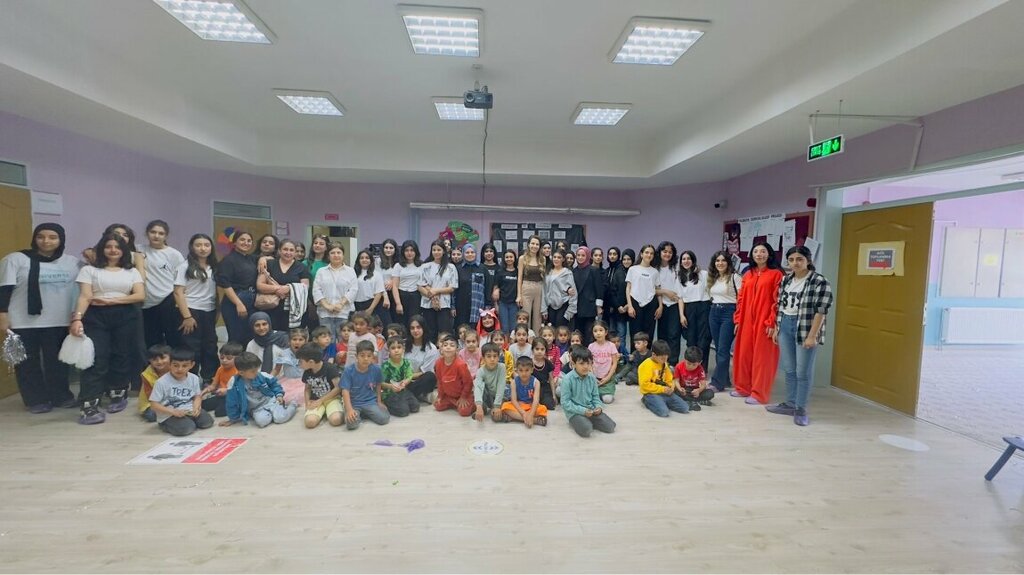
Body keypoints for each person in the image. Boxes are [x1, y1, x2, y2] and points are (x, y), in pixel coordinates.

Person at [0, 223, 79, 413]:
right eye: (41, 237)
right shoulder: (16, 259)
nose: (46, 241)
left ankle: (61, 396)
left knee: (58, 362)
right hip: (23, 321)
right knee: (27, 363)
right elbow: (4, 290)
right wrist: (3, 315)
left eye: (53, 237)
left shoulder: (73, 262)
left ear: (61, 240)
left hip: (59, 320)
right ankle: (35, 400)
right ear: (34, 238)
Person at [71, 232, 145, 424]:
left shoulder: (132, 271)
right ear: (102, 249)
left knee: (122, 354)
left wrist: (114, 300)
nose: (113, 250)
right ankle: (89, 404)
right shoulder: (89, 270)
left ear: (124, 251)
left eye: (118, 247)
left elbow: (139, 296)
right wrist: (77, 319)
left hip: (125, 315)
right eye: (109, 247)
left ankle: (118, 393)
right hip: (95, 316)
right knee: (96, 358)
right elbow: (85, 296)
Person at [766, 245, 834, 426]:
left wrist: (812, 335)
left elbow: (821, 311)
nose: (795, 263)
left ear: (808, 261)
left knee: (802, 371)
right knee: (789, 369)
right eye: (791, 260)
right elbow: (780, 305)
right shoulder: (786, 280)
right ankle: (789, 403)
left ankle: (801, 408)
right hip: (785, 325)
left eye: (799, 259)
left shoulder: (819, 281)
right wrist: (777, 328)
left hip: (805, 327)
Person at [731, 241, 784, 405]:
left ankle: (759, 393)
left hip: (764, 320)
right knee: (743, 354)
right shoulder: (747, 274)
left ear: (769, 254)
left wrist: (771, 322)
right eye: (756, 252)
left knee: (763, 358)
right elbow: (740, 300)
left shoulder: (776, 274)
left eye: (763, 251)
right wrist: (738, 319)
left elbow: (778, 300)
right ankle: (743, 387)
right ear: (752, 255)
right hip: (746, 319)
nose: (759, 254)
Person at [172, 233, 219, 381]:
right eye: (198, 245)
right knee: (192, 348)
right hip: (191, 311)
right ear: (192, 247)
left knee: (210, 347)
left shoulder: (215, 267)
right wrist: (187, 317)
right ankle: (189, 380)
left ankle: (209, 378)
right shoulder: (185, 266)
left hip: (209, 311)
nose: (203, 248)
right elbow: (178, 292)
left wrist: (217, 313)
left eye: (206, 245)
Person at [220, 351, 297, 427]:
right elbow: (231, 402)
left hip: (271, 402)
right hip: (256, 409)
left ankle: (292, 405)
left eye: (257, 369)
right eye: (253, 371)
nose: (256, 372)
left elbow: (275, 385)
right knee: (262, 422)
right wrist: (233, 418)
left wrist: (279, 395)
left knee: (280, 418)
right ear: (241, 373)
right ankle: (273, 413)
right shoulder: (234, 382)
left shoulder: (262, 375)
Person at [140, 220, 186, 349]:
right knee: (151, 341)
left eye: (161, 233)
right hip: (146, 304)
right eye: (153, 232)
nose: (156, 236)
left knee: (174, 338)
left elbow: (182, 280)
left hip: (168, 300)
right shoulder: (139, 250)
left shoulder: (174, 254)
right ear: (147, 233)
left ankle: (175, 368)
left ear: (166, 236)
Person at [148, 348, 213, 436]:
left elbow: (197, 396)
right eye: (175, 365)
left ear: (192, 365)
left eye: (184, 366)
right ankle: (165, 425)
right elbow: (154, 405)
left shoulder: (194, 378)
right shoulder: (161, 382)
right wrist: (172, 412)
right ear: (169, 364)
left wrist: (196, 407)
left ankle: (188, 421)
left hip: (188, 409)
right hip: (169, 414)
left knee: (207, 422)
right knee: (187, 429)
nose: (179, 369)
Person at [560, 346, 616, 438]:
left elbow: (595, 397)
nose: (586, 366)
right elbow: (565, 403)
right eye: (581, 363)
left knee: (611, 427)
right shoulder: (567, 379)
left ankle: (588, 420)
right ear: (573, 364)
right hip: (574, 412)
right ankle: (581, 421)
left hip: (591, 410)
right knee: (587, 430)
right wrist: (583, 411)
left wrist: (598, 407)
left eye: (588, 363)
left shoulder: (592, 377)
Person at [706, 251, 742, 392]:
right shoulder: (714, 278)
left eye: (723, 261)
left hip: (729, 313)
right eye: (717, 261)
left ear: (728, 263)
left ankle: (717, 383)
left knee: (723, 349)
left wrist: (738, 320)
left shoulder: (735, 277)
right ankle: (725, 379)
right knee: (718, 347)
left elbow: (742, 300)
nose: (720, 263)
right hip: (714, 311)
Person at [257, 239, 310, 331]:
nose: (288, 252)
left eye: (291, 250)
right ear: (279, 251)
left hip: (293, 311)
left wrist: (289, 288)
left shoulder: (302, 267)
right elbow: (260, 285)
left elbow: (305, 287)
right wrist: (279, 289)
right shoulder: (269, 264)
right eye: (285, 249)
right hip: (271, 308)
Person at [216, 230, 258, 345]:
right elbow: (225, 284)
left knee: (249, 337)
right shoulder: (228, 260)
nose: (246, 243)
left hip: (250, 301)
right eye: (242, 240)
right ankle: (232, 363)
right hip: (234, 303)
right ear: (234, 243)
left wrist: (264, 259)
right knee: (236, 338)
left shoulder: (251, 259)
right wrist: (238, 304)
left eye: (249, 241)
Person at [340, 340, 389, 430]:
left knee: (384, 418)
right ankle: (358, 414)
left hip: (370, 402)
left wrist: (379, 401)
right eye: (362, 356)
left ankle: (365, 413)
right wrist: (349, 409)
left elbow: (378, 385)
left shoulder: (376, 369)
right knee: (351, 425)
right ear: (356, 356)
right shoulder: (348, 370)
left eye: (369, 356)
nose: (366, 359)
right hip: (354, 403)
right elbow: (345, 391)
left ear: (373, 357)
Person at [312, 243, 357, 342]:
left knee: (344, 341)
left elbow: (353, 290)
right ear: (328, 255)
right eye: (332, 253)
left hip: (344, 312)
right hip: (325, 313)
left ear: (343, 255)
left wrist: (341, 304)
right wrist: (327, 306)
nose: (336, 255)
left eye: (338, 252)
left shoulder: (350, 271)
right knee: (326, 341)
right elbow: (316, 290)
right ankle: (328, 358)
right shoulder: (321, 271)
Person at [678, 250, 712, 372]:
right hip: (688, 309)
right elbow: (680, 298)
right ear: (681, 262)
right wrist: (681, 315)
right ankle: (690, 369)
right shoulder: (680, 277)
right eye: (683, 259)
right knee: (690, 340)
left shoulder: (703, 274)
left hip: (704, 307)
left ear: (693, 260)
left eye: (688, 258)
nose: (686, 261)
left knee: (703, 340)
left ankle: (702, 370)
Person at [638, 340, 690, 417]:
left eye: (666, 358)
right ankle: (647, 401)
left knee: (685, 408)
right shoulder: (645, 365)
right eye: (662, 358)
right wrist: (662, 389)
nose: (665, 360)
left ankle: (661, 402)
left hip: (665, 392)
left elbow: (670, 378)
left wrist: (671, 387)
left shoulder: (664, 363)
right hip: (651, 393)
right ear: (654, 355)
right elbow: (644, 385)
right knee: (664, 412)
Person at [418, 240, 458, 339]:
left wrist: (436, 291)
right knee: (430, 332)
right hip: (427, 304)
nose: (436, 252)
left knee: (445, 332)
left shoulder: (450, 267)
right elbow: (420, 285)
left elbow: (452, 287)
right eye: (434, 250)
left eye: (439, 250)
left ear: (444, 251)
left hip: (444, 304)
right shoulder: (425, 266)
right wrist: (433, 297)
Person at [297, 342, 342, 428]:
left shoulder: (330, 368)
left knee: (336, 420)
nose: (299, 364)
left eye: (301, 361)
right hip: (315, 400)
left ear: (311, 362)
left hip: (332, 399)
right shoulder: (307, 372)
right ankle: (323, 412)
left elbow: (338, 388)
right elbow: (307, 389)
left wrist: (321, 400)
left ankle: (329, 410)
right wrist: (307, 403)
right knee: (310, 422)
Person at [654, 241, 682, 364]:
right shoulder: (655, 268)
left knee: (674, 335)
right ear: (659, 252)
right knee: (662, 335)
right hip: (660, 305)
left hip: (675, 305)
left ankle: (672, 362)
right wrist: (666, 292)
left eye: (670, 252)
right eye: (665, 251)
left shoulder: (677, 267)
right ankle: (661, 361)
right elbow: (651, 289)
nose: (667, 254)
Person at [626, 244, 661, 340]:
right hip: (635, 303)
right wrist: (630, 306)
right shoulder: (633, 269)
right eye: (646, 252)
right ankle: (634, 354)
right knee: (635, 334)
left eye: (651, 253)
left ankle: (648, 355)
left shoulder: (655, 272)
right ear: (641, 254)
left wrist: (660, 306)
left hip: (651, 304)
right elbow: (628, 288)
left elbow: (657, 290)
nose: (649, 255)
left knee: (648, 334)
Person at [501, 356, 549, 427]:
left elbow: (536, 400)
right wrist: (524, 414)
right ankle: (534, 420)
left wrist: (531, 413)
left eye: (527, 370)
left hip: (531, 406)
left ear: (532, 370)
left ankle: (516, 418)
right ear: (516, 370)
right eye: (521, 370)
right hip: (519, 406)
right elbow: (514, 400)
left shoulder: (536, 382)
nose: (524, 373)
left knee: (543, 409)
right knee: (505, 406)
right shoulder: (514, 382)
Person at [433, 334, 474, 417]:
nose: (448, 347)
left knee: (464, 412)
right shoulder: (438, 363)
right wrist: (440, 396)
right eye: (445, 345)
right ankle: (453, 403)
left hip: (462, 394)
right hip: (448, 395)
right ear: (441, 349)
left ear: (457, 350)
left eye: (452, 345)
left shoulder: (460, 365)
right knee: (437, 406)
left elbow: (468, 383)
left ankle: (472, 403)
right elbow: (440, 381)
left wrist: (463, 397)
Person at [380, 336, 420, 417]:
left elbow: (409, 376)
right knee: (404, 411)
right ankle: (387, 404)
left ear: (403, 349)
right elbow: (380, 383)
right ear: (388, 351)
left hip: (403, 390)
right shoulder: (385, 366)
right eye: (393, 348)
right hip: (389, 393)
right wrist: (391, 386)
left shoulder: (406, 362)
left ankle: (402, 402)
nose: (396, 350)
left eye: (399, 347)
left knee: (416, 407)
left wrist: (405, 382)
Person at [404, 315, 440, 403]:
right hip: (402, 377)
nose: (415, 331)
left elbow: (425, 372)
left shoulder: (431, 348)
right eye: (412, 328)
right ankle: (418, 395)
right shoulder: (403, 344)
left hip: (418, 380)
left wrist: (407, 378)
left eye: (418, 327)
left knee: (430, 377)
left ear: (423, 328)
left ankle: (406, 394)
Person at [572, 246, 604, 345]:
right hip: (576, 306)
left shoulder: (593, 270)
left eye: (583, 255)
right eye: (578, 255)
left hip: (589, 307)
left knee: (589, 333)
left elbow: (599, 289)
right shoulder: (573, 271)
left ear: (588, 256)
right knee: (578, 332)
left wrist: (599, 307)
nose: (580, 257)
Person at [202, 341, 243, 417]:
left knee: (219, 412)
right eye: (222, 357)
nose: (224, 360)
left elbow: (241, 390)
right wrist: (204, 391)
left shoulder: (239, 371)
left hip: (234, 397)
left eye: (229, 358)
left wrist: (227, 391)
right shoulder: (220, 369)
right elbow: (213, 385)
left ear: (238, 359)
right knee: (202, 405)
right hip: (220, 396)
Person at [453, 243, 488, 330]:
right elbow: (453, 290)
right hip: (461, 307)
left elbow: (487, 288)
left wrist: (488, 306)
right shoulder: (457, 269)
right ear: (463, 254)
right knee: (461, 331)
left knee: (476, 332)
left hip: (477, 308)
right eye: (467, 252)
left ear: (476, 253)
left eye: (472, 252)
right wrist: (452, 306)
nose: (470, 254)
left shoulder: (482, 268)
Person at [516, 235, 546, 334]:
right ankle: (525, 337)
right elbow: (519, 278)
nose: (534, 246)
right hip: (526, 287)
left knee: (538, 317)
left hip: (539, 288)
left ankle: (537, 340)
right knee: (526, 315)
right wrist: (519, 295)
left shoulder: (543, 259)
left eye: (537, 244)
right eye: (532, 243)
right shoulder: (522, 258)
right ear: (528, 245)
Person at [391, 240, 422, 330]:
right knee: (401, 324)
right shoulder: (398, 266)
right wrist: (398, 303)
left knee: (414, 323)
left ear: (416, 252)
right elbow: (395, 286)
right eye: (407, 250)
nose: (409, 253)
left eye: (412, 250)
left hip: (416, 296)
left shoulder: (421, 265)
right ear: (403, 252)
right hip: (401, 295)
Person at [603, 246, 629, 356]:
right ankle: (610, 356)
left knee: (621, 334)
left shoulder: (621, 270)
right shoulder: (607, 270)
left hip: (621, 307)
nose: (612, 256)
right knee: (611, 333)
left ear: (618, 256)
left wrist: (621, 306)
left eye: (615, 254)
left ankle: (621, 356)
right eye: (610, 254)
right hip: (609, 308)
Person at [472, 342, 507, 423]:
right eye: (488, 356)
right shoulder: (481, 371)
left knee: (496, 417)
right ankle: (482, 408)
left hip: (500, 396)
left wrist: (497, 406)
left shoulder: (501, 367)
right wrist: (479, 405)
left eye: (495, 356)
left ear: (498, 357)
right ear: (483, 358)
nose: (492, 359)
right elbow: (478, 388)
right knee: (478, 385)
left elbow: (501, 387)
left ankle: (500, 412)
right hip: (488, 396)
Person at [543, 249, 577, 329]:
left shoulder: (567, 273)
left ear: (563, 259)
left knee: (561, 332)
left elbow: (573, 293)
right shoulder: (548, 272)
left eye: (559, 257)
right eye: (554, 257)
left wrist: (570, 311)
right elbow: (544, 291)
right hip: (550, 306)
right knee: (551, 331)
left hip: (563, 306)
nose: (556, 259)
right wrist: (543, 309)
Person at [138, 344, 172, 422]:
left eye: (163, 358)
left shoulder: (175, 369)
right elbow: (150, 395)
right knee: (151, 416)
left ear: (171, 357)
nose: (159, 362)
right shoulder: (146, 374)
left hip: (173, 400)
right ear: (149, 360)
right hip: (153, 403)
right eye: (154, 359)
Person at [675, 346, 715, 411]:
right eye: (688, 363)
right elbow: (676, 381)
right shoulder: (679, 366)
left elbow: (703, 384)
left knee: (710, 393)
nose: (691, 366)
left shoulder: (700, 369)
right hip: (684, 389)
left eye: (694, 365)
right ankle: (698, 401)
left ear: (699, 363)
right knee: (675, 392)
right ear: (685, 359)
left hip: (694, 390)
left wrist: (699, 390)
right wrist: (680, 389)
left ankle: (691, 401)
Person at [588, 320, 619, 404]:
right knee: (589, 398)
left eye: (601, 330)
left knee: (607, 400)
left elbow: (614, 363)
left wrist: (608, 377)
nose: (598, 333)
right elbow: (589, 363)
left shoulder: (611, 346)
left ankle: (604, 393)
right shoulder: (591, 346)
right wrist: (593, 376)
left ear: (606, 332)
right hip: (594, 378)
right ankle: (597, 393)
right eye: (595, 331)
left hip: (608, 378)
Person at [352, 249, 385, 325]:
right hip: (357, 305)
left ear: (371, 260)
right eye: (362, 258)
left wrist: (370, 309)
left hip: (372, 305)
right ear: (358, 260)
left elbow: (379, 293)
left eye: (367, 258)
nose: (364, 260)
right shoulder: (352, 273)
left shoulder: (376, 274)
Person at [493, 249, 519, 335]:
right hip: (502, 303)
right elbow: (496, 288)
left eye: (511, 257)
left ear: (514, 258)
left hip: (514, 304)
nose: (509, 259)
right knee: (504, 328)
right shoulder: (500, 272)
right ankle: (505, 347)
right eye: (507, 257)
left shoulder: (518, 272)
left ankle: (511, 347)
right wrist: (496, 305)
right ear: (504, 259)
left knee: (513, 328)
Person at [529, 336, 557, 410]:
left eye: (542, 349)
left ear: (545, 351)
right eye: (537, 349)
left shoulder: (548, 363)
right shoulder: (529, 362)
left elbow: (551, 379)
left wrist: (554, 395)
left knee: (550, 405)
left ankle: (540, 402)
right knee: (529, 404)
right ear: (532, 350)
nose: (539, 351)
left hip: (544, 389)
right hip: (532, 388)